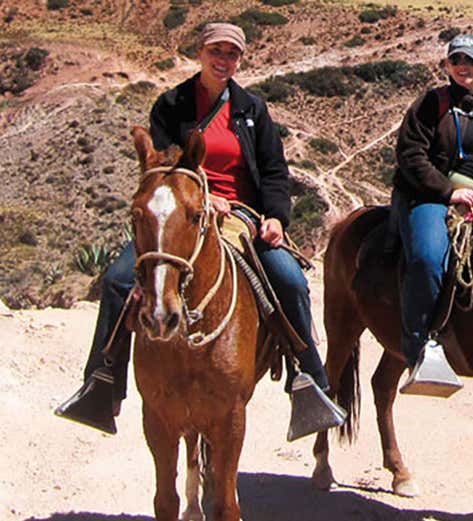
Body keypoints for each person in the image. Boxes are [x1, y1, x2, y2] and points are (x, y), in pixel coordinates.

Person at [57, 23, 341, 436]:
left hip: (240, 214)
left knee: (289, 280)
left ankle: (310, 381)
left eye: (232, 54)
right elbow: (164, 162)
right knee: (119, 279)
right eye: (216, 51)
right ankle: (101, 383)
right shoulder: (171, 105)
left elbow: (275, 171)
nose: (223, 60)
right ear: (200, 52)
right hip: (179, 210)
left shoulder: (252, 110)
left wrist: (276, 216)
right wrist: (201, 196)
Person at [392, 34, 473, 395]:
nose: (464, 66)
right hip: (430, 197)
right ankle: (420, 347)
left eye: (471, 60)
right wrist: (449, 192)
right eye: (457, 61)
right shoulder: (430, 104)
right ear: (448, 66)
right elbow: (411, 155)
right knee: (428, 258)